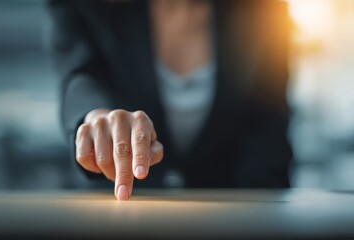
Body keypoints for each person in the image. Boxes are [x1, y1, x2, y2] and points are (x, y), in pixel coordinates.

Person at [49, 0, 293, 200]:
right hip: (120, 213)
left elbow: (269, 129)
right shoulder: (85, 7)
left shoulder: (265, 10)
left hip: (231, 219)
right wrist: (96, 117)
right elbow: (80, 76)